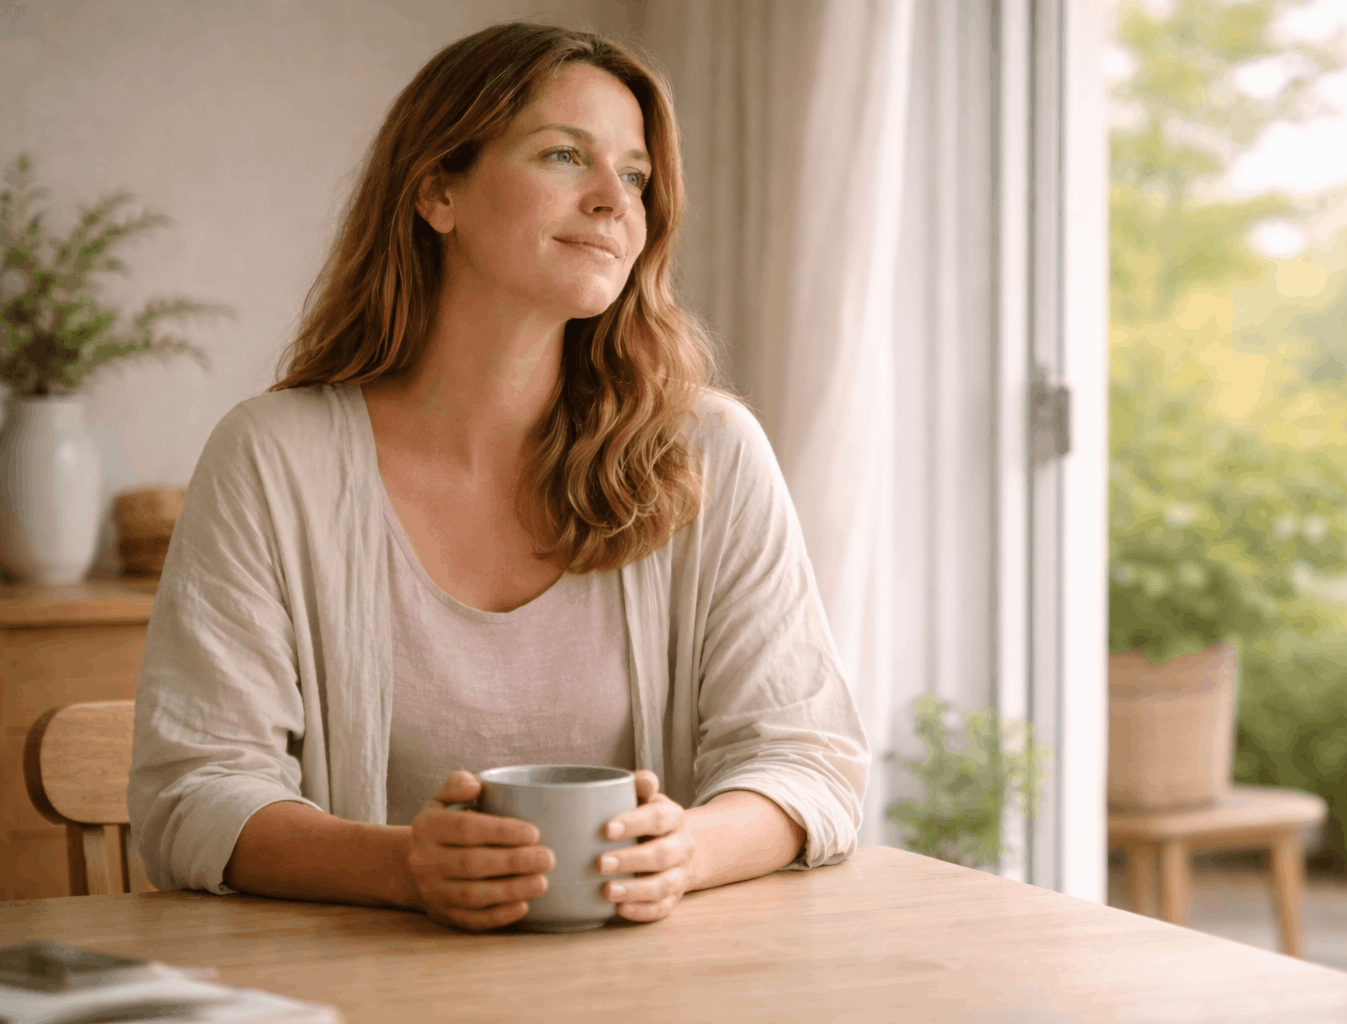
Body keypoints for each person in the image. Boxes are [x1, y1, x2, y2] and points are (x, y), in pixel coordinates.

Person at [127, 22, 868, 933]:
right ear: (439, 190)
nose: (615, 201)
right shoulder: (270, 460)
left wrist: (684, 852)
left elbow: (808, 763)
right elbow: (192, 794)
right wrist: (403, 867)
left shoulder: (710, 454)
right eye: (565, 155)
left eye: (635, 176)